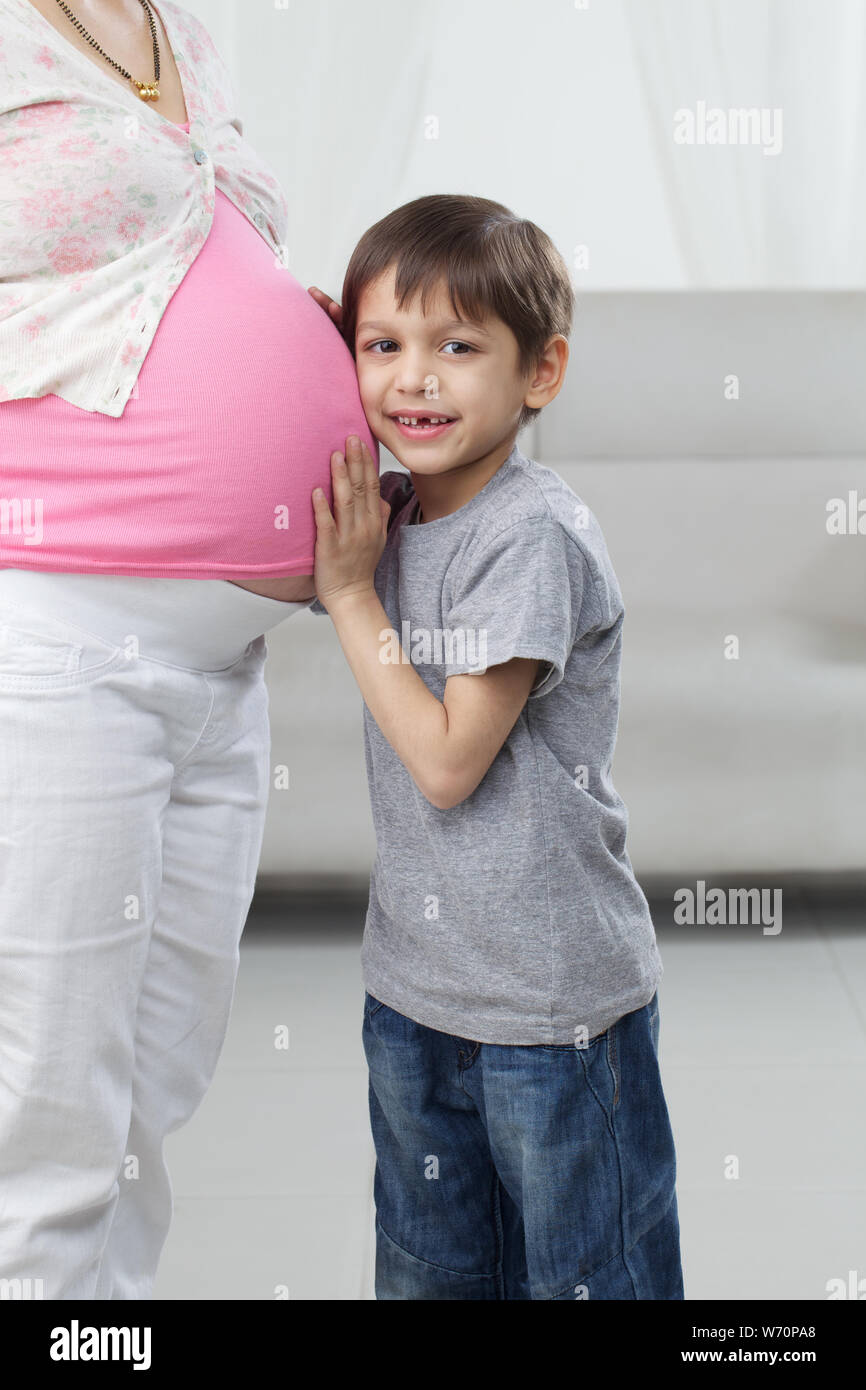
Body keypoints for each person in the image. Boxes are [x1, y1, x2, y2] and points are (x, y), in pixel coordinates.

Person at [0, 0, 376, 1299]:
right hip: (58, 628)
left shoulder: (179, 20)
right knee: (47, 1102)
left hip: (218, 665)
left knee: (149, 1083)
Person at [307, 193, 684, 1299]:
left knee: (585, 1279)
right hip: (414, 995)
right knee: (431, 1272)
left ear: (539, 372)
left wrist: (345, 592)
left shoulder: (530, 534)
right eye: (382, 345)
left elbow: (445, 761)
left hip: (551, 1015)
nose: (413, 378)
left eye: (457, 346)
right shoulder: (390, 513)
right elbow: (254, 558)